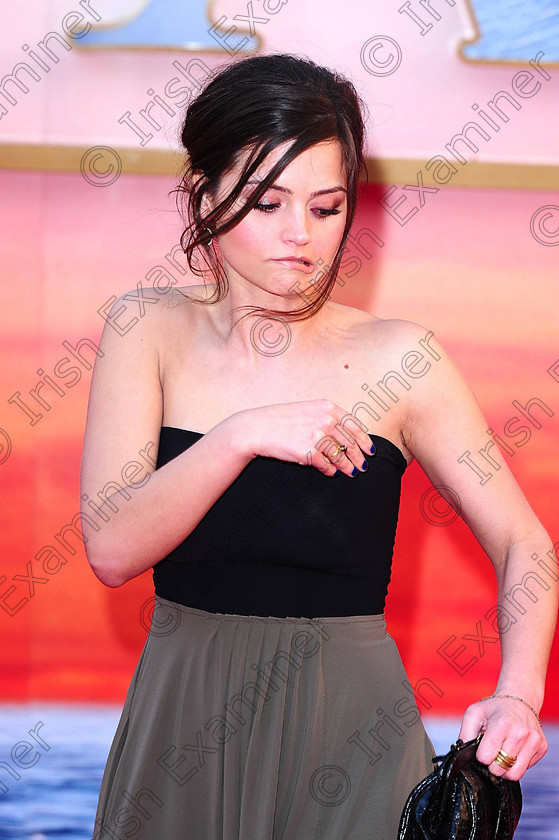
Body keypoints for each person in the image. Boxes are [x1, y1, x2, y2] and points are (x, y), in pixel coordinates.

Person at [82, 53, 556, 840]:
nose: (300, 236)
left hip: (352, 737)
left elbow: (522, 541)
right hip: (182, 729)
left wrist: (519, 694)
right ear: (203, 193)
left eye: (327, 207)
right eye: (266, 203)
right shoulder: (146, 329)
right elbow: (111, 546)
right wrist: (240, 436)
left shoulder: (402, 357)